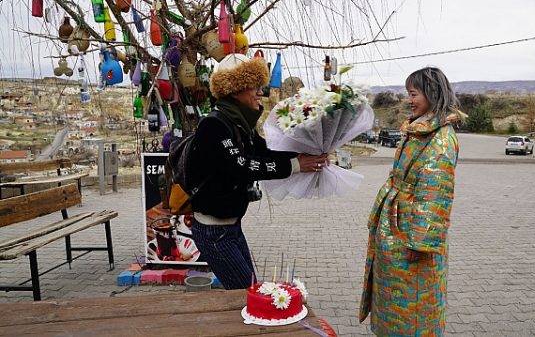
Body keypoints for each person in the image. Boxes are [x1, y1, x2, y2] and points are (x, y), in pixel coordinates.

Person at [187, 53, 327, 290]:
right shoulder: (213, 125)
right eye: (254, 87)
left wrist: (306, 155)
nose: (259, 93)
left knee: (247, 289)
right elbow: (240, 165)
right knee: (246, 293)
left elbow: (266, 152)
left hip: (231, 227)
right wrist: (295, 166)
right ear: (235, 90)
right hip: (214, 232)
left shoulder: (240, 125)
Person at [359, 67, 465, 336]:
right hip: (396, 229)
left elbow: (433, 194)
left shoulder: (440, 139)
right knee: (394, 302)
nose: (409, 100)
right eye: (408, 93)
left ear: (432, 93)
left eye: (413, 93)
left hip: (410, 238)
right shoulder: (420, 130)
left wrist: (420, 242)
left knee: (413, 308)